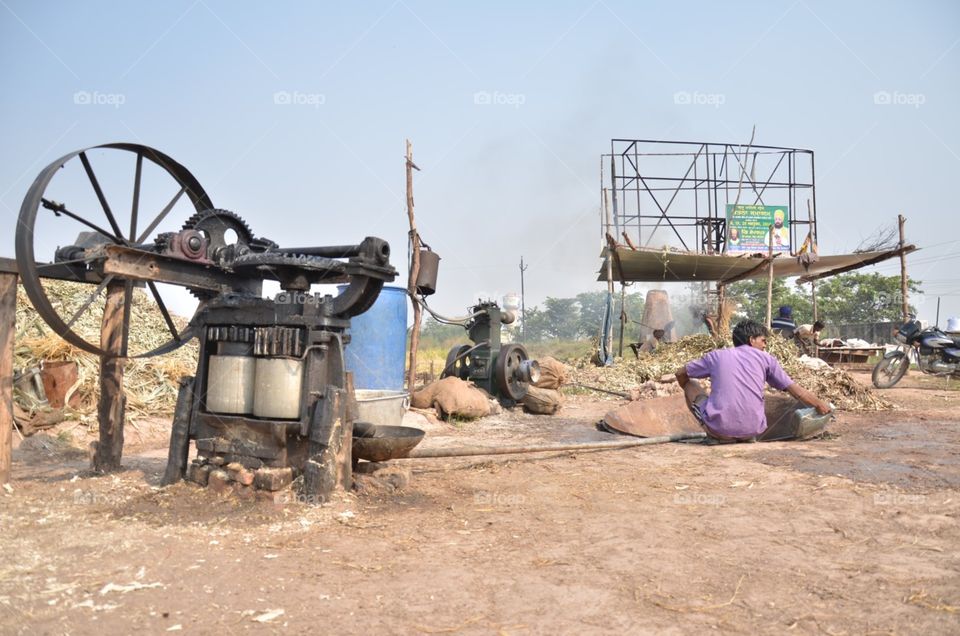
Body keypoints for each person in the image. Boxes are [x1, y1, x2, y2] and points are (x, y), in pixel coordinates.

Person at [675, 320, 832, 442]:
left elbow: (680, 373)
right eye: (763, 340)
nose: (765, 345)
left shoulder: (716, 356)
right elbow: (795, 391)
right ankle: (743, 435)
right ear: (752, 340)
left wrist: (687, 386)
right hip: (753, 430)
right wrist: (819, 404)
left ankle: (714, 434)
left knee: (691, 384)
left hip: (720, 430)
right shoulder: (767, 359)